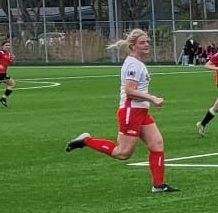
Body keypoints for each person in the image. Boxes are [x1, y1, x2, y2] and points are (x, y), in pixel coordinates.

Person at [64, 28, 178, 193]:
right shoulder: (133, 64)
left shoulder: (138, 63)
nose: (146, 45)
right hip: (132, 111)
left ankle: (158, 185)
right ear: (133, 46)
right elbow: (130, 91)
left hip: (141, 111)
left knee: (157, 144)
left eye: (147, 42)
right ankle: (86, 140)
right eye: (142, 42)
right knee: (123, 153)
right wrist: (152, 98)